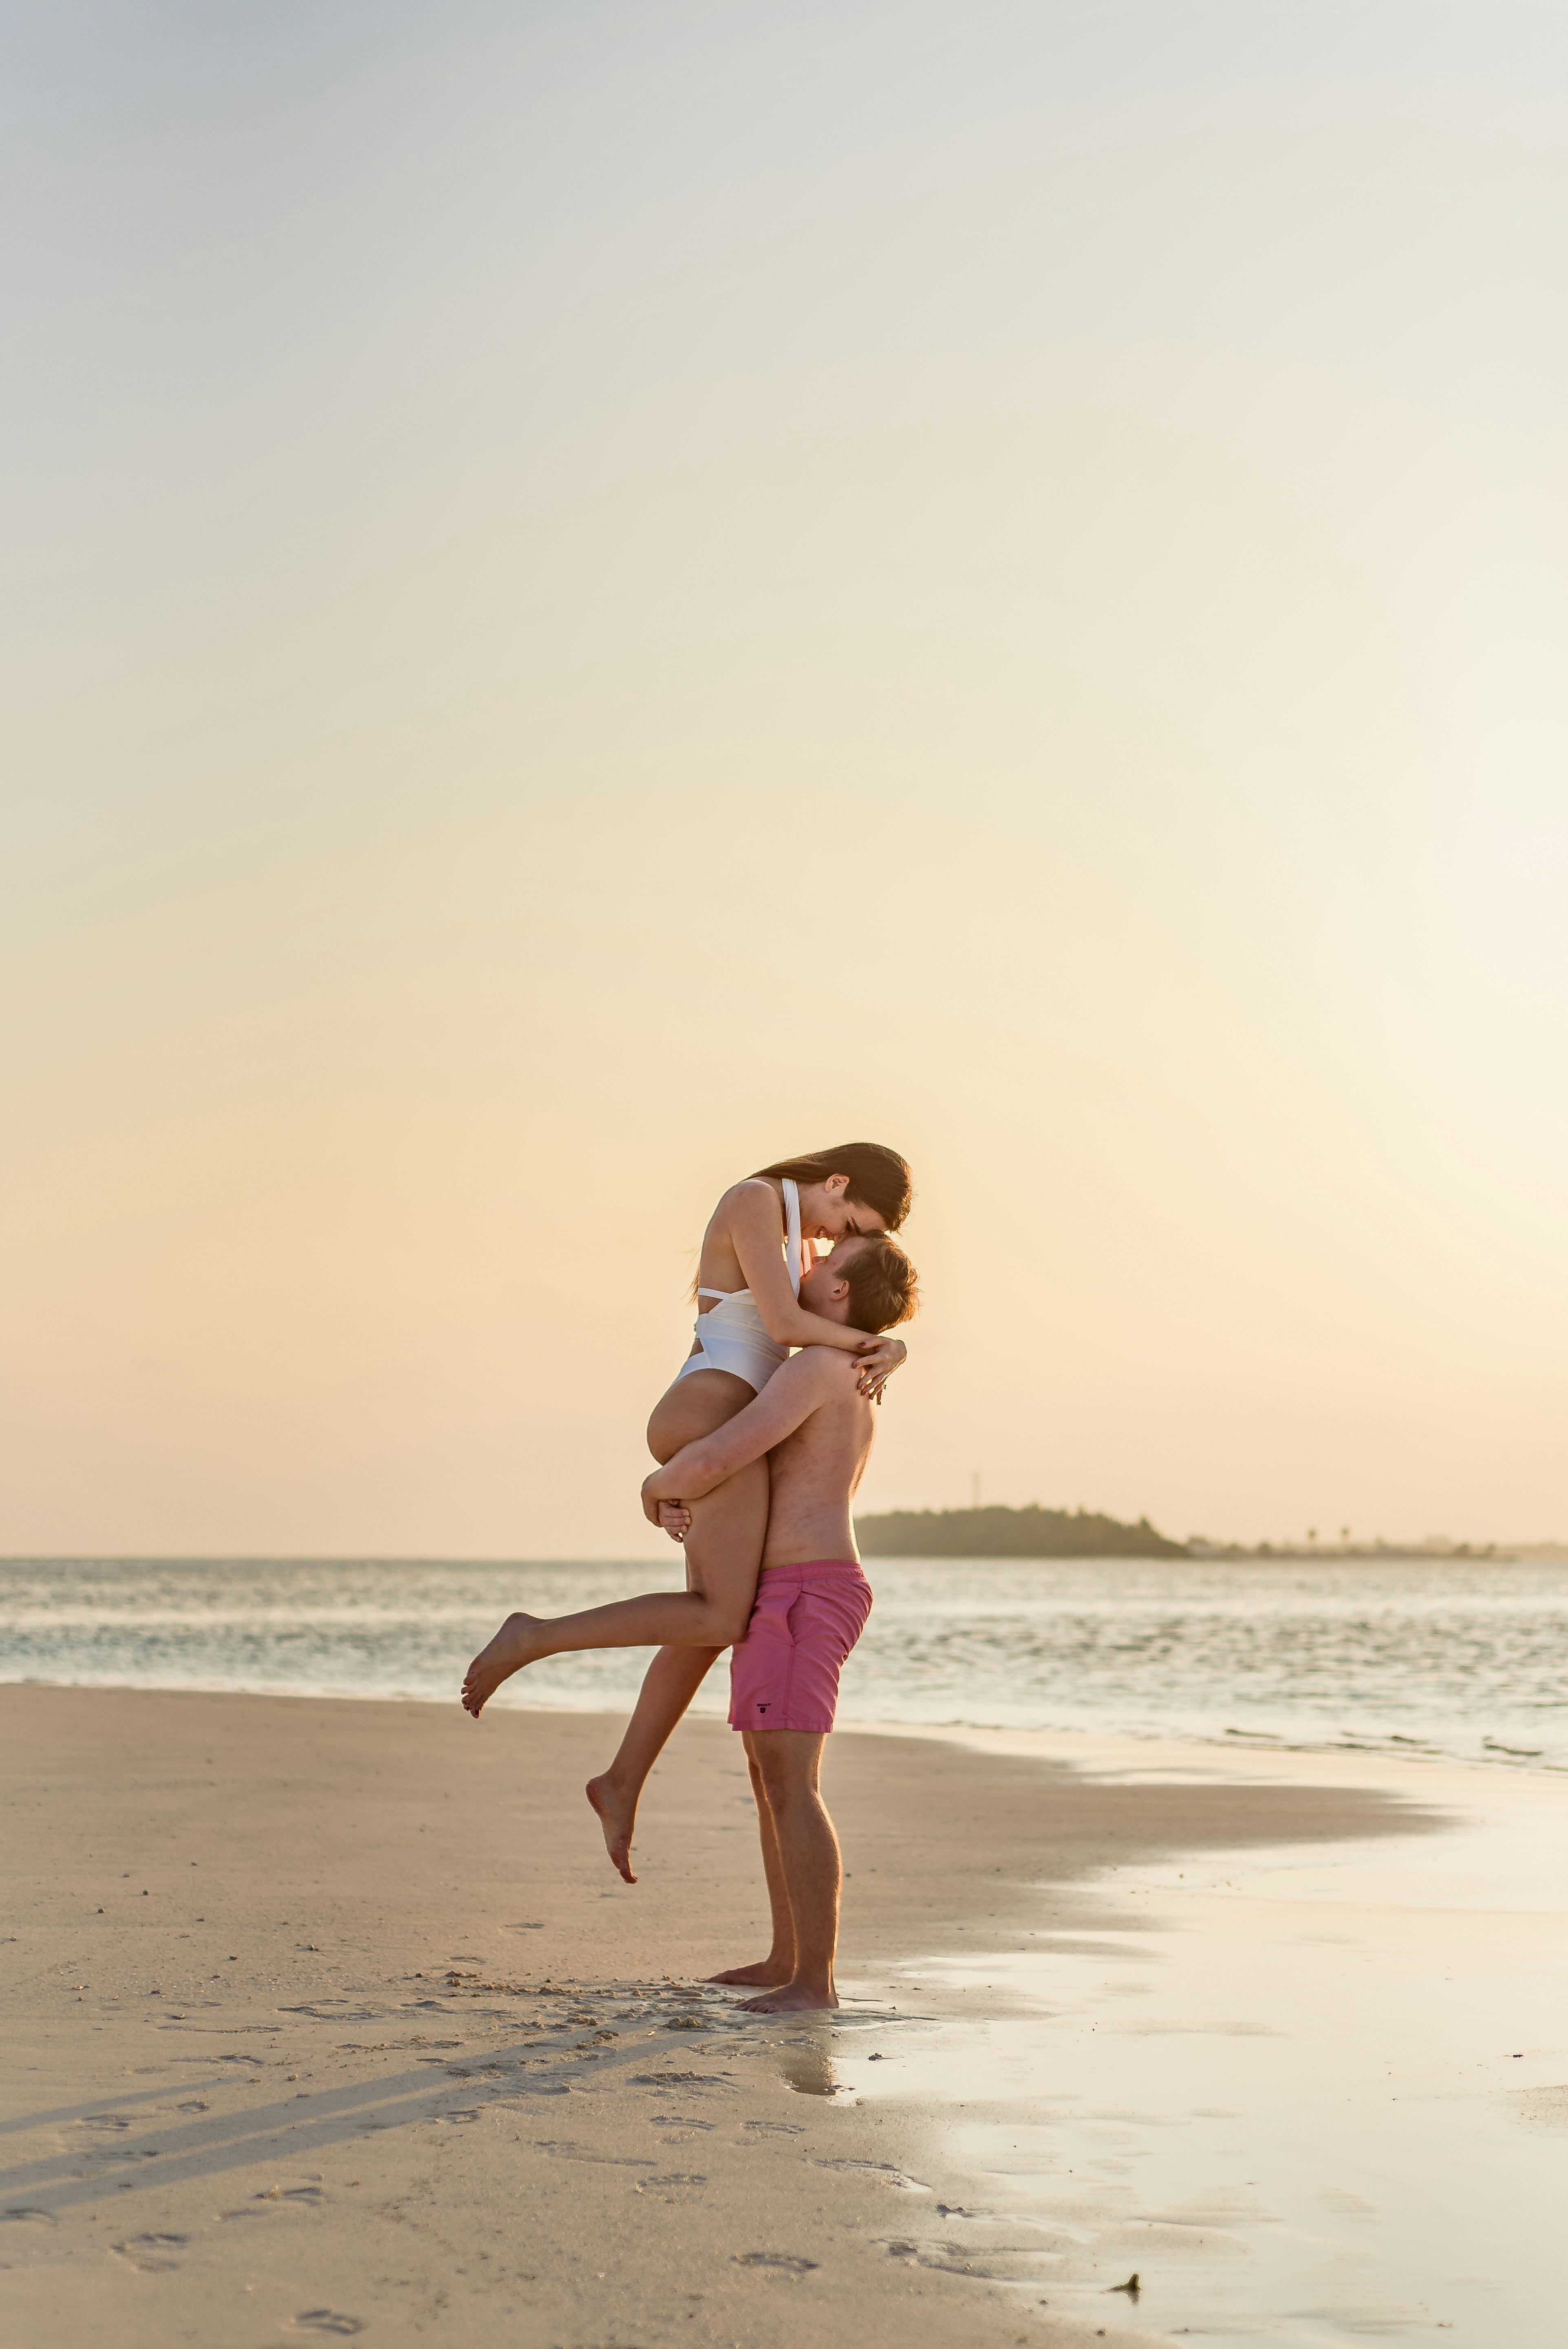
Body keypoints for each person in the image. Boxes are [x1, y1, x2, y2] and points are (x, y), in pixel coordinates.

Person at [460, 1149, 913, 1858]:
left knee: (713, 1616)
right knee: (718, 1613)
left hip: (720, 1419)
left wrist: (889, 1344)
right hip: (707, 1411)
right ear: (836, 1183)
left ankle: (622, 1780)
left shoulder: (795, 1231)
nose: (830, 1243)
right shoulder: (756, 1200)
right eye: (847, 1222)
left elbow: (807, 1320)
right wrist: (880, 1345)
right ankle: (534, 1637)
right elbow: (791, 1330)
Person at [639, 1229, 919, 2012]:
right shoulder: (841, 1365)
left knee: (793, 1784)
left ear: (838, 1294)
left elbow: (728, 1451)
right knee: (772, 1781)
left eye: (827, 1261)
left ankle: (814, 1982)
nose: (809, 1262)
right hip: (795, 1590)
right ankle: (784, 1958)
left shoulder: (820, 1371)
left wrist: (657, 1486)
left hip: (805, 1590)